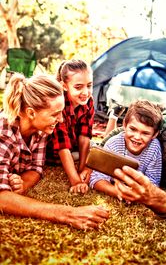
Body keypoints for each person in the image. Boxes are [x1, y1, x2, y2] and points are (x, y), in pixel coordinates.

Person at [0, 73, 109, 229]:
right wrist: (68, 214)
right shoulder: (3, 133)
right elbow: (2, 198)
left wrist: (22, 184)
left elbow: (36, 168)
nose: (61, 120)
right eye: (55, 114)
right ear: (31, 113)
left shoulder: (40, 129)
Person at [89, 100, 163, 198]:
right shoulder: (113, 143)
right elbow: (96, 178)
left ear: (155, 134)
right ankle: (113, 115)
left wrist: (137, 194)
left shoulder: (154, 148)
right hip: (109, 149)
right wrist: (119, 193)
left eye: (145, 133)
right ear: (124, 125)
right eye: (133, 129)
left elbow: (153, 183)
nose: (137, 137)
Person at [46, 59, 94, 194]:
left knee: (94, 149)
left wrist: (83, 169)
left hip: (73, 148)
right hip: (54, 151)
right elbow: (62, 146)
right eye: (78, 87)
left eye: (89, 85)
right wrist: (76, 181)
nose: (85, 92)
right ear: (65, 86)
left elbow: (85, 137)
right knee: (87, 153)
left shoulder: (88, 101)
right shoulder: (58, 105)